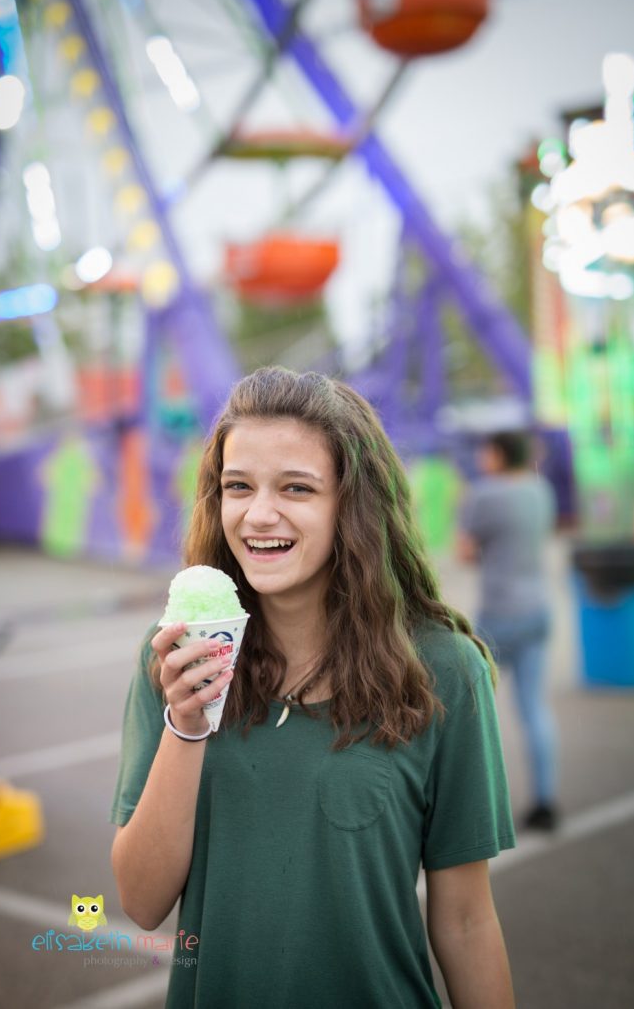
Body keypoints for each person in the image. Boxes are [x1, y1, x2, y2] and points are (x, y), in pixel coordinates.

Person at [111, 368, 516, 1009]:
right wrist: (186, 723)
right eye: (237, 486)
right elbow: (140, 902)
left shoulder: (443, 671)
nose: (258, 514)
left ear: (352, 506)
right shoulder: (172, 657)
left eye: (296, 488)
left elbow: (466, 920)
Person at [457, 430, 559, 832]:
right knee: (534, 708)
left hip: (498, 613)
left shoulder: (483, 495)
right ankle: (546, 800)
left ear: (498, 454)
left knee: (477, 711)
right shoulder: (541, 490)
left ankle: (476, 811)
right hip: (538, 608)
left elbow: (464, 551)